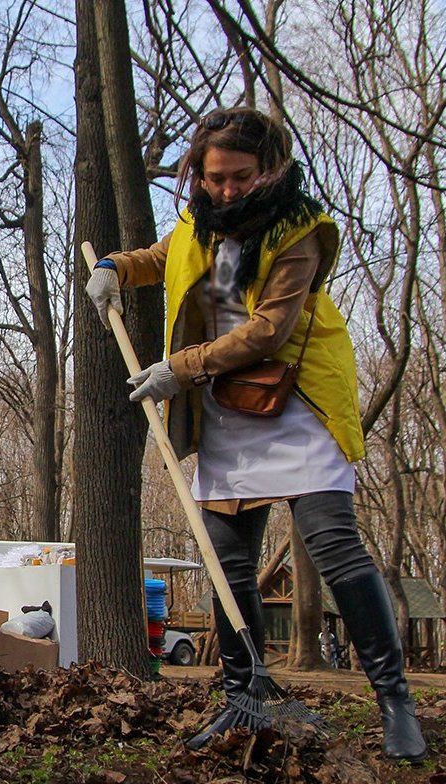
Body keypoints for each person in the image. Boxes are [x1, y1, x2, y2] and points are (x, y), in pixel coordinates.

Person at [86, 106, 425, 761]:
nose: (227, 190)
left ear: (270, 168)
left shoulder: (300, 229)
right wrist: (113, 268)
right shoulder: (196, 220)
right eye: (215, 178)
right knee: (226, 563)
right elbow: (161, 258)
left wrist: (176, 369)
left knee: (335, 547)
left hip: (295, 399)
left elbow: (269, 328)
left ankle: (395, 702)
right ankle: (241, 698)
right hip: (226, 412)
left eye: (241, 177)